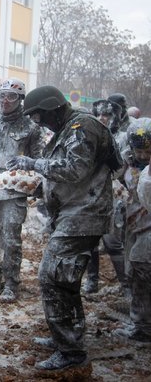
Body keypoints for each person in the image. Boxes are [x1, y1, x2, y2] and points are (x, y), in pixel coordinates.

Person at [7, 85, 121, 370]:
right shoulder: (70, 127)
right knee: (65, 278)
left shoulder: (82, 127)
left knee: (51, 275)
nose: (38, 123)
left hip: (85, 213)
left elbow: (74, 169)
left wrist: (34, 163)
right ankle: (70, 334)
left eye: (40, 117)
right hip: (76, 211)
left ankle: (70, 350)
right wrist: (40, 188)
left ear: (53, 109)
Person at [0, 78, 44, 303]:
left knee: (10, 237)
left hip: (14, 189)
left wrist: (32, 179)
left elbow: (39, 159)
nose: (6, 101)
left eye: (12, 97)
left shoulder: (31, 127)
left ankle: (11, 282)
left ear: (21, 99)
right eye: (3, 96)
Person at [82, 99, 129, 295]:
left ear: (115, 117)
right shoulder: (88, 136)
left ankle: (126, 284)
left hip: (114, 193)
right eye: (99, 114)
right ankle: (91, 280)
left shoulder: (123, 137)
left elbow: (121, 166)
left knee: (112, 242)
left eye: (107, 115)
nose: (103, 118)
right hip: (90, 193)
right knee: (90, 240)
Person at [115, 122, 151, 343]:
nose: (144, 156)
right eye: (139, 151)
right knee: (134, 272)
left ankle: (143, 326)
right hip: (133, 223)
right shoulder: (127, 161)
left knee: (142, 271)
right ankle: (142, 322)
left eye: (148, 151)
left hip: (149, 224)